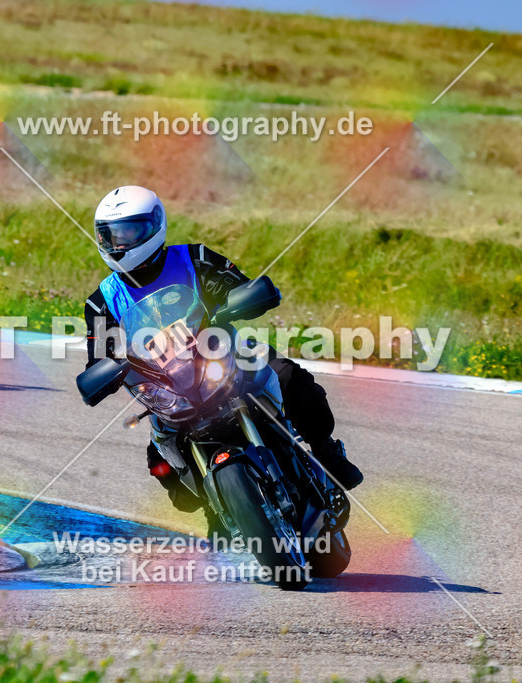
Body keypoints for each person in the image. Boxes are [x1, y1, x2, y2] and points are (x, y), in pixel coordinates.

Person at [81, 185, 363, 525]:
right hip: (168, 387)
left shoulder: (194, 259)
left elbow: (242, 287)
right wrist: (103, 374)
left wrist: (247, 297)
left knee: (288, 375)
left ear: (154, 226)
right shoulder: (101, 302)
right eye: (111, 235)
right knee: (161, 458)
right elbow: (99, 357)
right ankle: (221, 506)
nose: (120, 243)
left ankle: (325, 451)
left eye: (129, 231)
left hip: (225, 356)